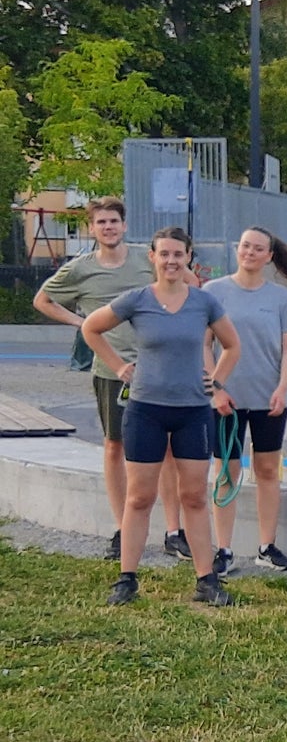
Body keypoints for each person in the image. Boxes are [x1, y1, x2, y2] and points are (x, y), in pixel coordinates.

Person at [81, 227, 241, 606]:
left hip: (192, 412)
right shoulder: (137, 300)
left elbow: (232, 345)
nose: (171, 261)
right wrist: (119, 366)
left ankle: (206, 581)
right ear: (152, 257)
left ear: (189, 258)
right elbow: (91, 328)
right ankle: (126, 579)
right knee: (139, 497)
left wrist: (216, 382)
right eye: (164, 254)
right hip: (145, 410)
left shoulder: (204, 303)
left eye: (178, 254)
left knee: (194, 496)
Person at [33, 196, 190, 561]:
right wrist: (81, 323)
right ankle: (123, 528)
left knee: (166, 448)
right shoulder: (80, 269)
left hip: (158, 367)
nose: (108, 228)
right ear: (92, 228)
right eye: (101, 222)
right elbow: (43, 300)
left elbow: (185, 283)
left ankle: (172, 530)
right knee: (115, 445)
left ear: (124, 225)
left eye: (113, 222)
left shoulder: (145, 258)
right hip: (112, 371)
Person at [204, 227, 287, 577]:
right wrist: (216, 389)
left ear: (269, 256)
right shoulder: (214, 293)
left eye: (259, 249)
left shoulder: (281, 298)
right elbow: (204, 345)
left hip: (268, 398)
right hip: (226, 399)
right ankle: (223, 549)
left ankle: (265, 546)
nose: (250, 253)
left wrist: (283, 388)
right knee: (226, 470)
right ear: (237, 249)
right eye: (245, 246)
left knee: (268, 471)